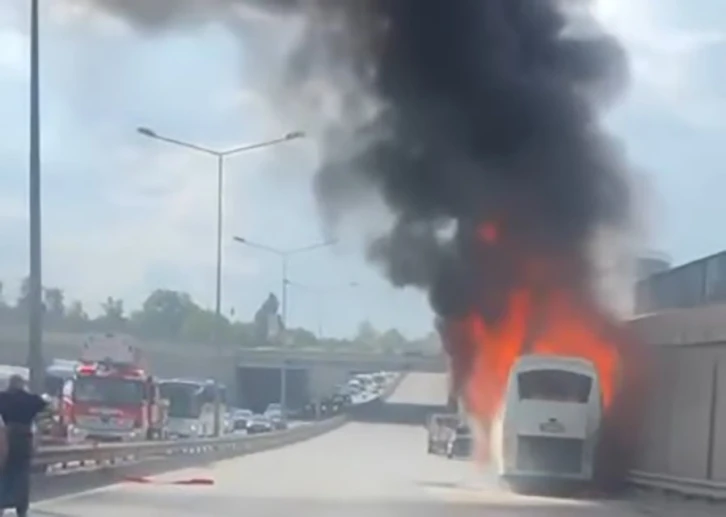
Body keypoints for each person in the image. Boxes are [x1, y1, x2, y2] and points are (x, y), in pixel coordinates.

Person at [0, 375, 47, 517]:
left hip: (6, 437)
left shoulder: (2, 397)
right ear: (23, 384)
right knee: (22, 474)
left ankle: (1, 503)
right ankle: (21, 506)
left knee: (4, 472)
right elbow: (47, 410)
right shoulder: (32, 399)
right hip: (25, 439)